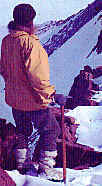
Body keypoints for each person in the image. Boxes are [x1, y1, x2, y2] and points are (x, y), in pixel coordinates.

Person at [0, 4, 62, 180]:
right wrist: (50, 94)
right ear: (31, 21)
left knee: (22, 130)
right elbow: (38, 77)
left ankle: (22, 164)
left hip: (14, 98)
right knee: (51, 129)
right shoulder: (30, 43)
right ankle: (46, 168)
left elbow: (4, 69)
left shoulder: (7, 41)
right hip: (33, 100)